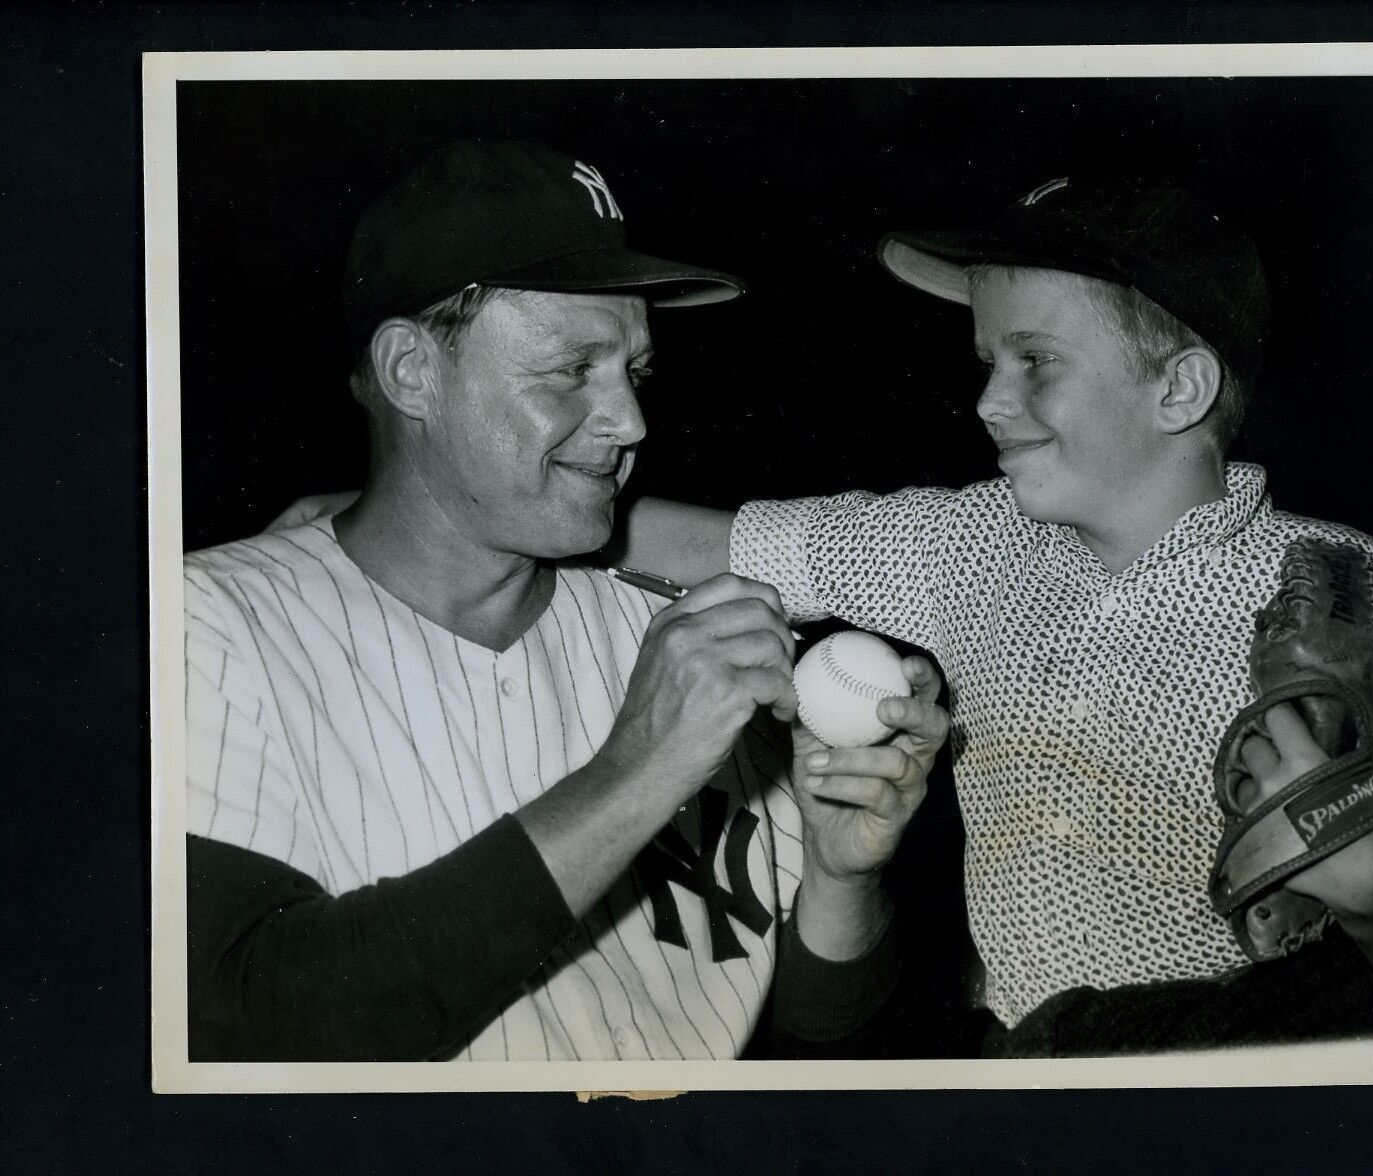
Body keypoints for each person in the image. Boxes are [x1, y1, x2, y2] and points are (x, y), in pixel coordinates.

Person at [612, 174, 1373, 1052]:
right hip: (1020, 1061)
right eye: (991, 363)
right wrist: (503, 507)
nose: (990, 401)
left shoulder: (1335, 585)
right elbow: (713, 544)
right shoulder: (968, 540)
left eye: (1037, 361)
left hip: (1223, 1072)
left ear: (1179, 390)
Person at [182, 140, 949, 1062]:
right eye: (569, 369)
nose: (630, 421)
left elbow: (818, 1031)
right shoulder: (207, 626)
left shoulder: (673, 636)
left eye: (635, 373)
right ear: (412, 371)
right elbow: (245, 1021)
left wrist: (837, 875)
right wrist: (636, 770)